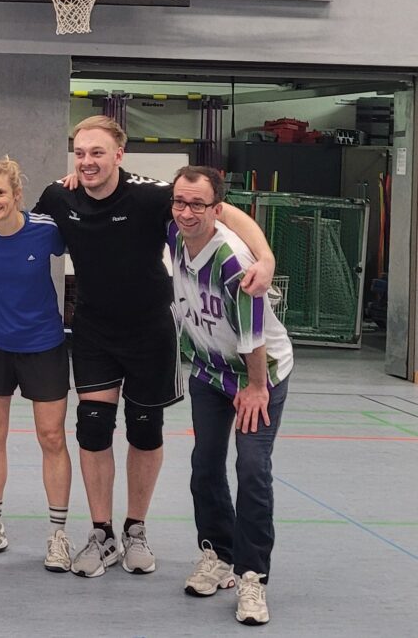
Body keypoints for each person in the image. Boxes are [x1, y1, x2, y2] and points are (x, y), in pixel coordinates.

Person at [32, 115, 275, 578]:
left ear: (119, 155)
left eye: (97, 153)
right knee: (93, 426)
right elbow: (21, 235)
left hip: (150, 330)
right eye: (80, 153)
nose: (87, 161)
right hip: (93, 331)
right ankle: (101, 533)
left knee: (145, 429)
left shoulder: (150, 195)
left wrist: (264, 257)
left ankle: (135, 529)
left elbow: (228, 212)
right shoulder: (58, 196)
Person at [167, 166, 292, 626]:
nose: (186, 211)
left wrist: (256, 387)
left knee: (252, 467)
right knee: (205, 463)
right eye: (180, 202)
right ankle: (218, 554)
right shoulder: (175, 230)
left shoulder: (234, 262)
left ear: (215, 210)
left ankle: (252, 576)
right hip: (208, 371)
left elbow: (252, 337)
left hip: (260, 374)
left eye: (198, 204)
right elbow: (229, 210)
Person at [0, 157, 75, 571]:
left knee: (51, 437)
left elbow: (84, 232)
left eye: (0, 193)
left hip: (44, 345)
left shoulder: (45, 229)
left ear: (16, 195)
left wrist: (73, 182)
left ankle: (58, 534)